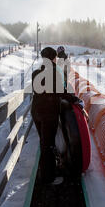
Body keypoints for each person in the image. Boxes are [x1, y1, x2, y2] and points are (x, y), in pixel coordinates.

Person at [31, 47, 83, 185]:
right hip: (48, 112)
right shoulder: (54, 72)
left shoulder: (36, 72)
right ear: (53, 58)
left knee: (43, 142)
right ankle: (48, 177)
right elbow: (61, 91)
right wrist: (75, 99)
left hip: (36, 111)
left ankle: (46, 170)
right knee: (47, 145)